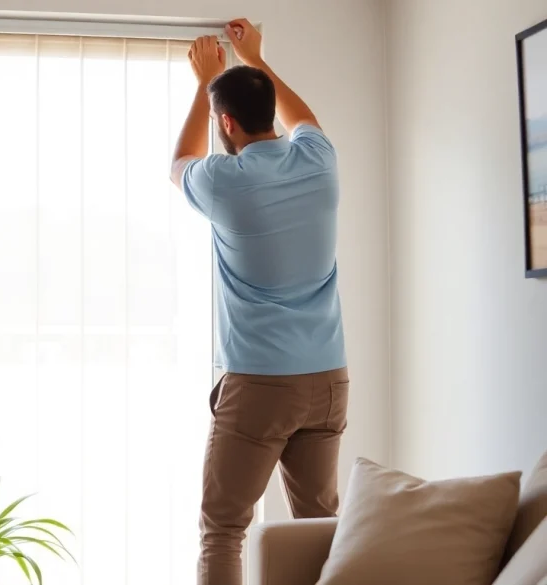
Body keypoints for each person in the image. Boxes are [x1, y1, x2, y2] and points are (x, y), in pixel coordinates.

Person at [170, 19, 349, 585]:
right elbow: (304, 120)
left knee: (223, 527)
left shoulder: (226, 182)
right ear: (267, 111)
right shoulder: (320, 162)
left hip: (260, 386)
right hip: (327, 380)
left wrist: (206, 82)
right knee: (321, 524)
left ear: (225, 121)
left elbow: (177, 165)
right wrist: (256, 59)